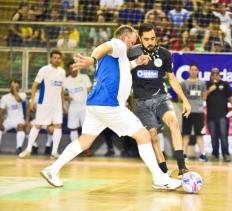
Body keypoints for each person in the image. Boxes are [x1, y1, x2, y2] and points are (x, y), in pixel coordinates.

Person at [40, 25, 181, 190]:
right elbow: (104, 47)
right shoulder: (118, 45)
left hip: (95, 104)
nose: (132, 46)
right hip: (110, 105)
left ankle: (52, 169)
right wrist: (91, 59)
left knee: (84, 142)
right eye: (133, 42)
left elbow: (121, 68)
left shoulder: (117, 57)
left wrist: (136, 62)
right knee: (144, 136)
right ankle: (159, 178)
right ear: (126, 38)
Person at [127, 23, 191, 177]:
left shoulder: (165, 54)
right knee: (153, 135)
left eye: (153, 38)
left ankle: (182, 167)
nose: (150, 42)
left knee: (174, 122)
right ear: (140, 39)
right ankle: (163, 170)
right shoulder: (131, 53)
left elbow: (172, 79)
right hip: (141, 102)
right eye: (147, 39)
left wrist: (185, 100)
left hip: (161, 98)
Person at [19, 50, 66, 159]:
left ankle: (54, 152)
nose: (56, 59)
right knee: (38, 125)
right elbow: (35, 86)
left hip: (57, 105)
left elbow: (61, 89)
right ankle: (28, 149)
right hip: (44, 103)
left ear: (61, 60)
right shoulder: (44, 70)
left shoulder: (62, 72)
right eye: (54, 57)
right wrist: (32, 100)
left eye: (59, 58)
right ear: (50, 58)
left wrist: (63, 104)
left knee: (58, 125)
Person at [205, 68, 232, 162]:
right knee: (213, 136)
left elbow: (230, 96)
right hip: (211, 115)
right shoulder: (207, 84)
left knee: (223, 135)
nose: (215, 75)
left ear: (219, 75)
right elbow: (203, 97)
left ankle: (226, 154)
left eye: (217, 74)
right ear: (211, 75)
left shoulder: (225, 84)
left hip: (223, 115)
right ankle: (215, 154)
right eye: (213, 74)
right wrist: (210, 90)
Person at [180, 64, 207, 162]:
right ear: (189, 71)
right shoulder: (183, 83)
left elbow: (204, 96)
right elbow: (180, 98)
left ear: (198, 71)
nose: (193, 71)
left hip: (198, 111)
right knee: (186, 134)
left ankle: (203, 154)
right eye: (192, 70)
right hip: (187, 111)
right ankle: (184, 154)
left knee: (199, 134)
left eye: (195, 70)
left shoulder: (202, 83)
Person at [63, 60, 92, 142]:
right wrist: (67, 97)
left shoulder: (84, 77)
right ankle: (75, 148)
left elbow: (90, 90)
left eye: (75, 67)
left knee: (87, 128)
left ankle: (87, 148)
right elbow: (65, 95)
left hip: (85, 107)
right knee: (73, 128)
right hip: (73, 107)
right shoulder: (66, 81)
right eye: (71, 68)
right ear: (68, 69)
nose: (74, 69)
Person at [0, 80, 27, 154]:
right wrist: (0, 122)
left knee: (20, 126)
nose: (14, 88)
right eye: (12, 87)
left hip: (19, 119)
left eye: (17, 87)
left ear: (19, 88)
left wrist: (14, 89)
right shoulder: (5, 97)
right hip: (8, 120)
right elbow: (1, 111)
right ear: (10, 87)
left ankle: (19, 148)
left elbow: (18, 100)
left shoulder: (23, 95)